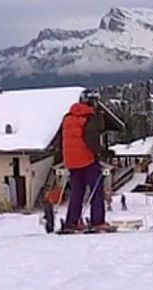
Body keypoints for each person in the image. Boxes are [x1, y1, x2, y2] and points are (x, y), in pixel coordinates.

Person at [53, 89, 114, 233]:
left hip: (71, 161)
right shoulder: (89, 117)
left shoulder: (68, 117)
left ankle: (72, 222)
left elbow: (61, 139)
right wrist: (102, 153)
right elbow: (91, 139)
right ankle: (97, 221)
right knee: (96, 191)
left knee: (77, 192)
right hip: (87, 159)